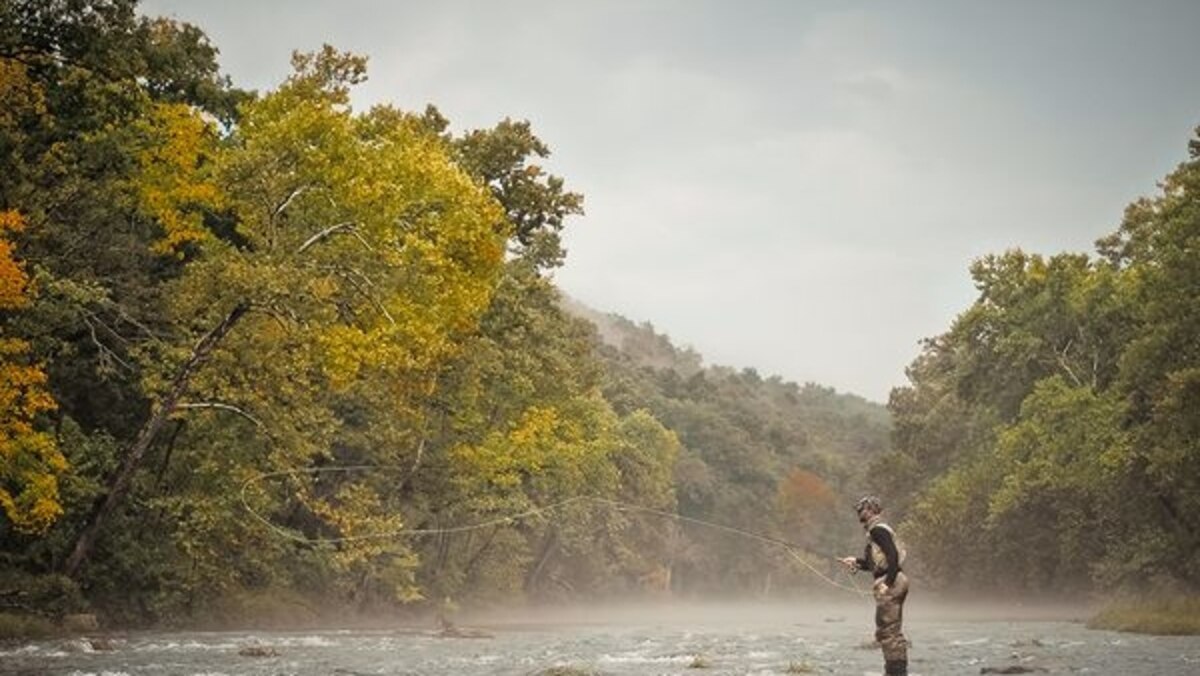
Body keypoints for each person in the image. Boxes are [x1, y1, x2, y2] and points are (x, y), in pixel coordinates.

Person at [839, 495, 909, 676]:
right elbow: (876, 564)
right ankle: (896, 671)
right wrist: (855, 561)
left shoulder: (878, 530)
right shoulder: (876, 531)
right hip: (894, 579)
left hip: (892, 581)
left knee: (888, 631)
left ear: (870, 510)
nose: (858, 513)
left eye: (861, 509)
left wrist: (887, 583)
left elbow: (892, 556)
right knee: (889, 630)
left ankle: (896, 673)